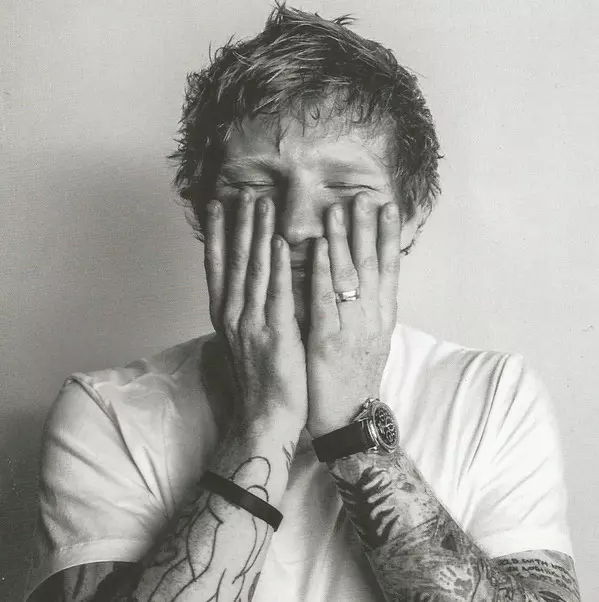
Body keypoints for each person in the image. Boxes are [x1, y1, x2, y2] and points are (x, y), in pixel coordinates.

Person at [25, 4, 580, 601]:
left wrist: (352, 426)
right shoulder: (107, 411)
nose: (294, 225)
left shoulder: (492, 396)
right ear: (203, 212)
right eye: (254, 186)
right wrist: (265, 418)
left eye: (345, 188)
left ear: (412, 217)